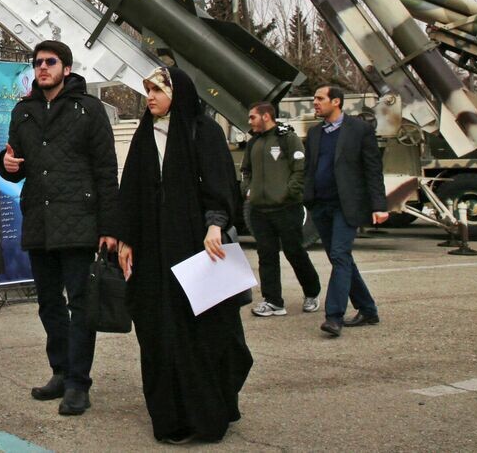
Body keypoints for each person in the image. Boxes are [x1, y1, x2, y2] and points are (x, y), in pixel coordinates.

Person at [117, 66, 252, 444]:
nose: (151, 97)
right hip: (153, 256)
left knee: (205, 333)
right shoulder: (145, 135)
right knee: (158, 333)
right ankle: (171, 418)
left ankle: (207, 414)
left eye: (158, 90)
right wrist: (125, 239)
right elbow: (131, 191)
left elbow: (219, 183)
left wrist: (214, 225)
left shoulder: (201, 131)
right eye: (147, 91)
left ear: (179, 93)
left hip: (195, 248)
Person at [0, 40, 119, 417]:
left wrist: (109, 226)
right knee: (49, 304)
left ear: (66, 68)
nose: (42, 67)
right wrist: (6, 163)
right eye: (37, 63)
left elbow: (106, 171)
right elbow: (15, 161)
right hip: (40, 220)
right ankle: (60, 372)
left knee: (81, 306)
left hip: (80, 220)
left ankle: (79, 384)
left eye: (50, 62)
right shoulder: (24, 111)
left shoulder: (89, 109)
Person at [302, 86, 388, 337]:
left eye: (319, 99)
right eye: (314, 99)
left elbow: (373, 170)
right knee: (341, 258)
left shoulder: (359, 130)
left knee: (339, 255)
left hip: (346, 205)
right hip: (321, 205)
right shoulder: (315, 132)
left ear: (336, 102)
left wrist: (379, 206)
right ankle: (368, 309)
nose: (315, 103)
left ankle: (334, 316)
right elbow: (310, 169)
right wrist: (306, 198)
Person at [242, 102, 321, 317]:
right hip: (260, 209)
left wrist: (288, 193)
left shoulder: (287, 138)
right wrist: (248, 190)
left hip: (286, 208)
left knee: (294, 251)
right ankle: (273, 301)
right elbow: (246, 170)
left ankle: (312, 292)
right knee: (266, 255)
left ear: (266, 116)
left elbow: (300, 169)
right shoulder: (254, 142)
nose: (250, 122)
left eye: (253, 117)